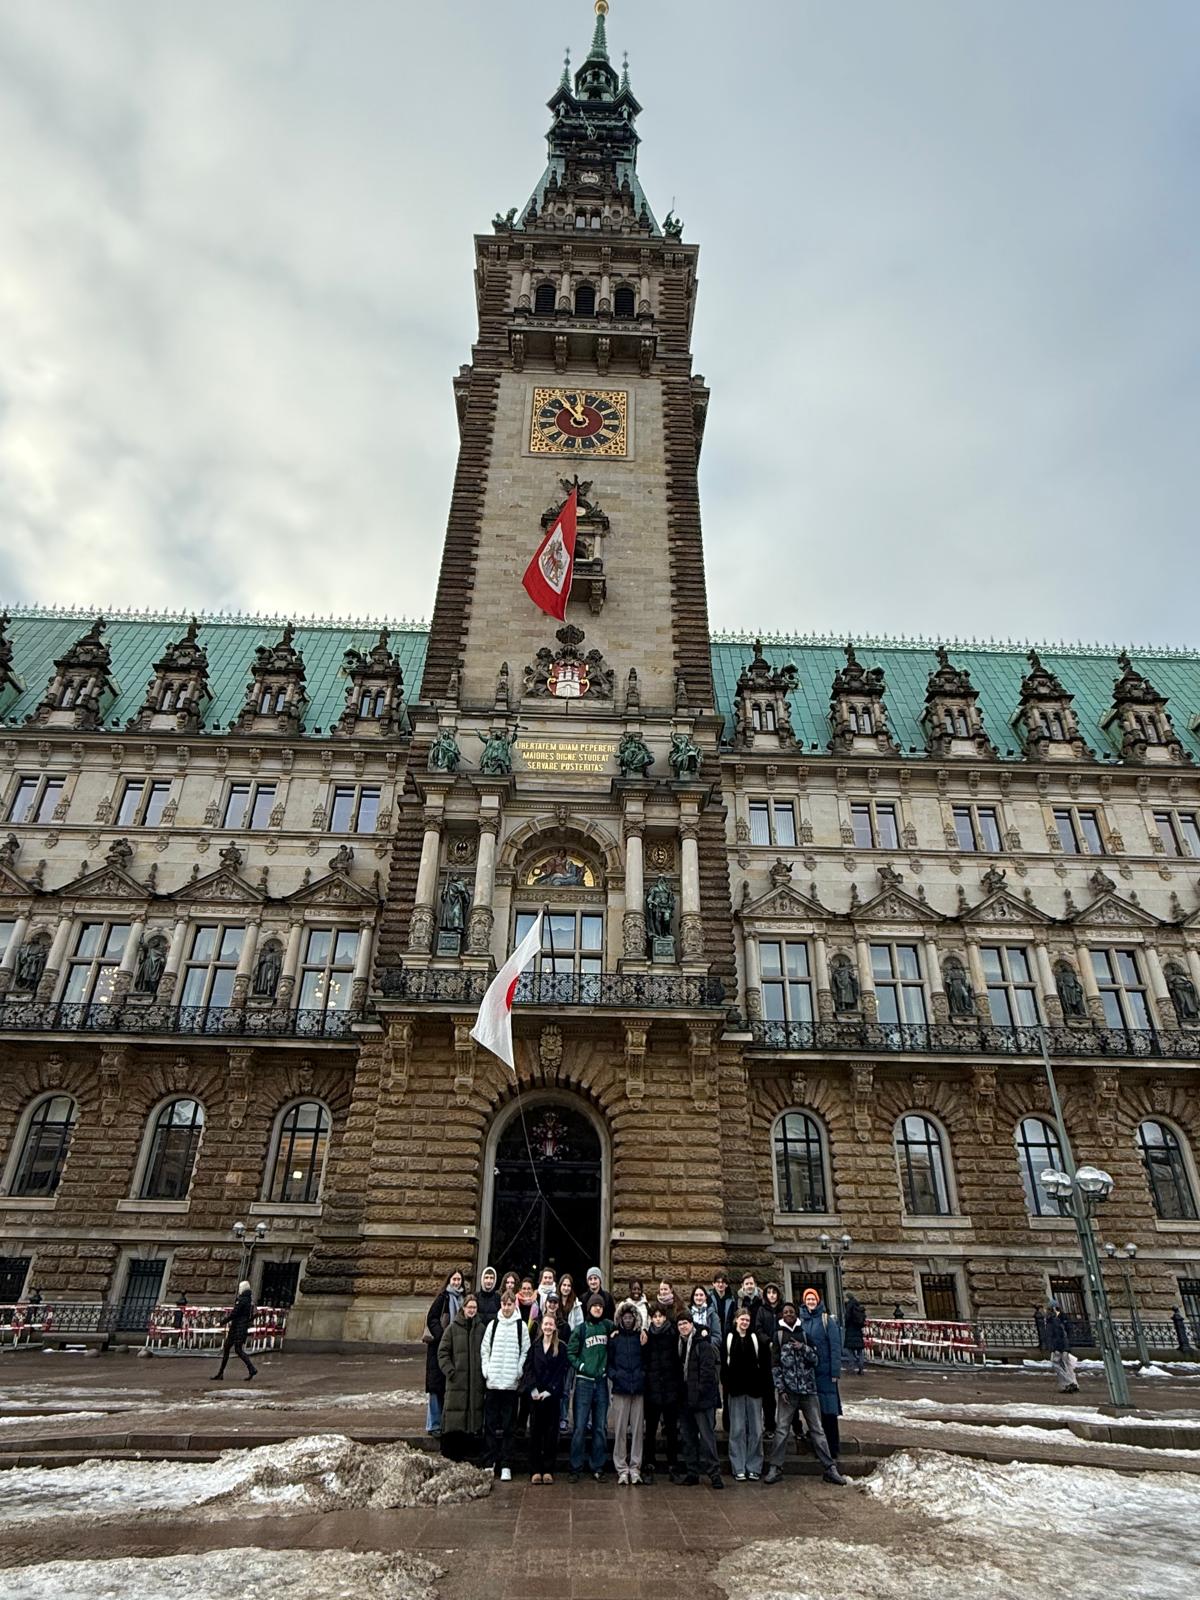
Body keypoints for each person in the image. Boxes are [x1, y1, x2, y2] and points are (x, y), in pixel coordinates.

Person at [763, 1301, 846, 1486]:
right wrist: (780, 1388)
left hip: (808, 1390)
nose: (788, 1314)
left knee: (817, 1430)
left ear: (796, 1315)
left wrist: (804, 1348)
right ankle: (775, 1467)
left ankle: (829, 1467)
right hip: (788, 1392)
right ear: (782, 1315)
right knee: (781, 1430)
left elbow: (816, 1359)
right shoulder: (778, 1336)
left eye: (791, 1312)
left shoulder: (805, 1335)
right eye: (785, 1312)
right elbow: (775, 1366)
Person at [480, 1290, 530, 1481]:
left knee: (509, 1427)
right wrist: (486, 1370)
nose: (507, 1307)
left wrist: (518, 1371)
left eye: (510, 1304)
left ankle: (506, 1464)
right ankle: (489, 1462)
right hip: (493, 1382)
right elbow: (485, 1349)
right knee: (490, 1425)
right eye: (504, 1304)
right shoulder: (493, 1325)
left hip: (510, 1384)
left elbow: (525, 1351)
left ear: (514, 1305)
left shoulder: (521, 1326)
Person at [674, 1310, 723, 1490]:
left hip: (702, 1400)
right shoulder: (678, 1344)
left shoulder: (702, 1343)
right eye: (680, 1324)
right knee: (688, 1439)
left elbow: (708, 1372)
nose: (683, 1327)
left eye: (685, 1323)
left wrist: (699, 1392)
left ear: (691, 1324)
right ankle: (692, 1472)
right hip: (684, 1399)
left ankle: (715, 1474)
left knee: (707, 1439)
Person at [568, 1292, 614, 1481]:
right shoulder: (581, 1329)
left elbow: (624, 1326)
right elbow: (570, 1352)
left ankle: (598, 1466)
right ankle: (575, 1468)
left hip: (601, 1382)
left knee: (600, 1427)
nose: (598, 1309)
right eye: (595, 1306)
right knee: (579, 1427)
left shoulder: (608, 1326)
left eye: (600, 1306)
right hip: (584, 1383)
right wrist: (581, 1366)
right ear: (589, 1308)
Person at [523, 1305, 570, 1484]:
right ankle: (535, 1469)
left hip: (552, 1396)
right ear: (541, 1326)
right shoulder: (534, 1346)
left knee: (551, 1434)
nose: (548, 1327)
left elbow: (561, 1371)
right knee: (535, 1433)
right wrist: (533, 1389)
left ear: (555, 1327)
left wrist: (549, 1390)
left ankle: (548, 1469)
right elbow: (528, 1369)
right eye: (545, 1324)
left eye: (551, 1324)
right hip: (536, 1397)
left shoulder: (561, 1348)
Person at [723, 1306, 771, 1481]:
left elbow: (762, 1363)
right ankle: (738, 1466)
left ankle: (754, 1466)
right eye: (742, 1319)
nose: (745, 1322)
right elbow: (724, 1364)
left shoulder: (754, 1338)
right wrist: (727, 1385)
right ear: (736, 1320)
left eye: (747, 1320)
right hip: (735, 1389)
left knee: (756, 1429)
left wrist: (762, 1385)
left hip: (754, 1389)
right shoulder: (729, 1337)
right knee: (737, 1429)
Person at [438, 1291, 486, 1461]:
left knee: (473, 1415)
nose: (471, 1310)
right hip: (456, 1381)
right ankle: (451, 1452)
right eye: (469, 1307)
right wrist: (450, 1370)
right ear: (463, 1308)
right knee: (454, 1416)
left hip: (475, 1381)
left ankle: (470, 1452)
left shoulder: (481, 1329)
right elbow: (442, 1352)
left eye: (474, 1307)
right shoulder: (452, 1328)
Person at [799, 1287, 843, 1459]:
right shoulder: (802, 1320)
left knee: (828, 1412)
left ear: (817, 1301)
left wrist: (835, 1371)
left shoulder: (827, 1320)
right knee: (814, 1412)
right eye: (808, 1299)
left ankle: (832, 1448)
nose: (810, 1301)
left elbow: (835, 1346)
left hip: (826, 1373)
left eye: (813, 1299)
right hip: (810, 1373)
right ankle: (819, 1447)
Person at [609, 1299, 648, 1485]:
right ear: (620, 1319)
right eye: (624, 1317)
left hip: (638, 1389)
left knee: (638, 1431)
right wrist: (615, 1376)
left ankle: (635, 1467)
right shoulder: (614, 1339)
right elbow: (609, 1362)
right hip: (620, 1389)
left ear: (635, 1319)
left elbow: (647, 1360)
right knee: (620, 1431)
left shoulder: (641, 1338)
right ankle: (621, 1468)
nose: (627, 1320)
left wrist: (642, 1376)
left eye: (630, 1317)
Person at [643, 1302, 682, 1483]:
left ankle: (673, 1464)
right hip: (652, 1391)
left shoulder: (673, 1334)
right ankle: (649, 1464)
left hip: (670, 1389)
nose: (658, 1320)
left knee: (671, 1431)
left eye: (660, 1316)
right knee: (650, 1431)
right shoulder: (647, 1336)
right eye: (655, 1317)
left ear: (665, 1317)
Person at [424, 1269, 465, 1435]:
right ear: (449, 1281)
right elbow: (431, 1318)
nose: (456, 1282)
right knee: (436, 1388)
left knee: (447, 1388)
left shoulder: (463, 1299)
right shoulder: (443, 1297)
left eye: (459, 1280)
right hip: (438, 1348)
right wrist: (442, 1336)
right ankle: (434, 1425)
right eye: (454, 1279)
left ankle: (445, 1423)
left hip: (455, 1350)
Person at [212, 1279, 257, 1381]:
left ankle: (251, 1368)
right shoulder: (249, 1300)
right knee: (235, 1349)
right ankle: (250, 1369)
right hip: (242, 1327)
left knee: (233, 1349)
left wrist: (221, 1322)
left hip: (236, 1328)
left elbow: (234, 1314)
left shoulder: (241, 1300)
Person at [557, 1273, 583, 1434]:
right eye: (563, 1285)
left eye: (568, 1285)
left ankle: (564, 1418)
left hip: (570, 1351)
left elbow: (579, 1328)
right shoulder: (554, 1302)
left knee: (566, 1389)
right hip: (555, 1350)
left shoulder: (576, 1305)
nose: (566, 1288)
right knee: (555, 1386)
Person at [760, 1281, 783, 1436]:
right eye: (769, 1293)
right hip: (766, 1355)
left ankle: (794, 1426)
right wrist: (768, 1341)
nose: (771, 1295)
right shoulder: (762, 1310)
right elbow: (758, 1329)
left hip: (783, 1355)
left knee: (786, 1392)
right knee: (768, 1394)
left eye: (774, 1293)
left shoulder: (784, 1309)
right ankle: (769, 1426)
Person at [1046, 1304, 1079, 1393]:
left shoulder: (1053, 1320)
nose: (1046, 1311)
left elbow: (1056, 1335)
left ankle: (1069, 1383)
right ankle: (1073, 1383)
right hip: (1064, 1345)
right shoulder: (1061, 1318)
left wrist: (1055, 1348)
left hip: (1059, 1346)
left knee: (1057, 1364)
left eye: (1048, 1309)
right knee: (1067, 1365)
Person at [843, 1294, 867, 1376]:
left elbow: (847, 1319)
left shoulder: (849, 1307)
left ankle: (851, 1369)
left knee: (850, 1352)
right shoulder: (859, 1308)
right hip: (858, 1332)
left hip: (850, 1331)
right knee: (860, 1352)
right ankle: (861, 1368)